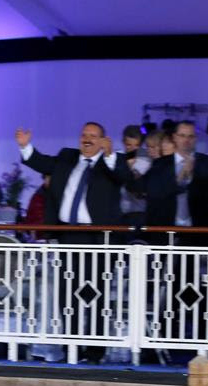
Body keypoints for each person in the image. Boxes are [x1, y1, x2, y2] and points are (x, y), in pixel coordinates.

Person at [16, 122, 132, 363]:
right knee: (67, 294)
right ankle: (72, 346)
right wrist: (26, 146)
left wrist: (110, 155)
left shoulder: (112, 161)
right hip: (67, 235)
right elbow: (42, 163)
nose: (87, 139)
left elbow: (126, 179)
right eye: (84, 135)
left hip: (98, 238)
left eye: (93, 136)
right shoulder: (67, 157)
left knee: (95, 294)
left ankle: (96, 350)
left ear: (103, 140)